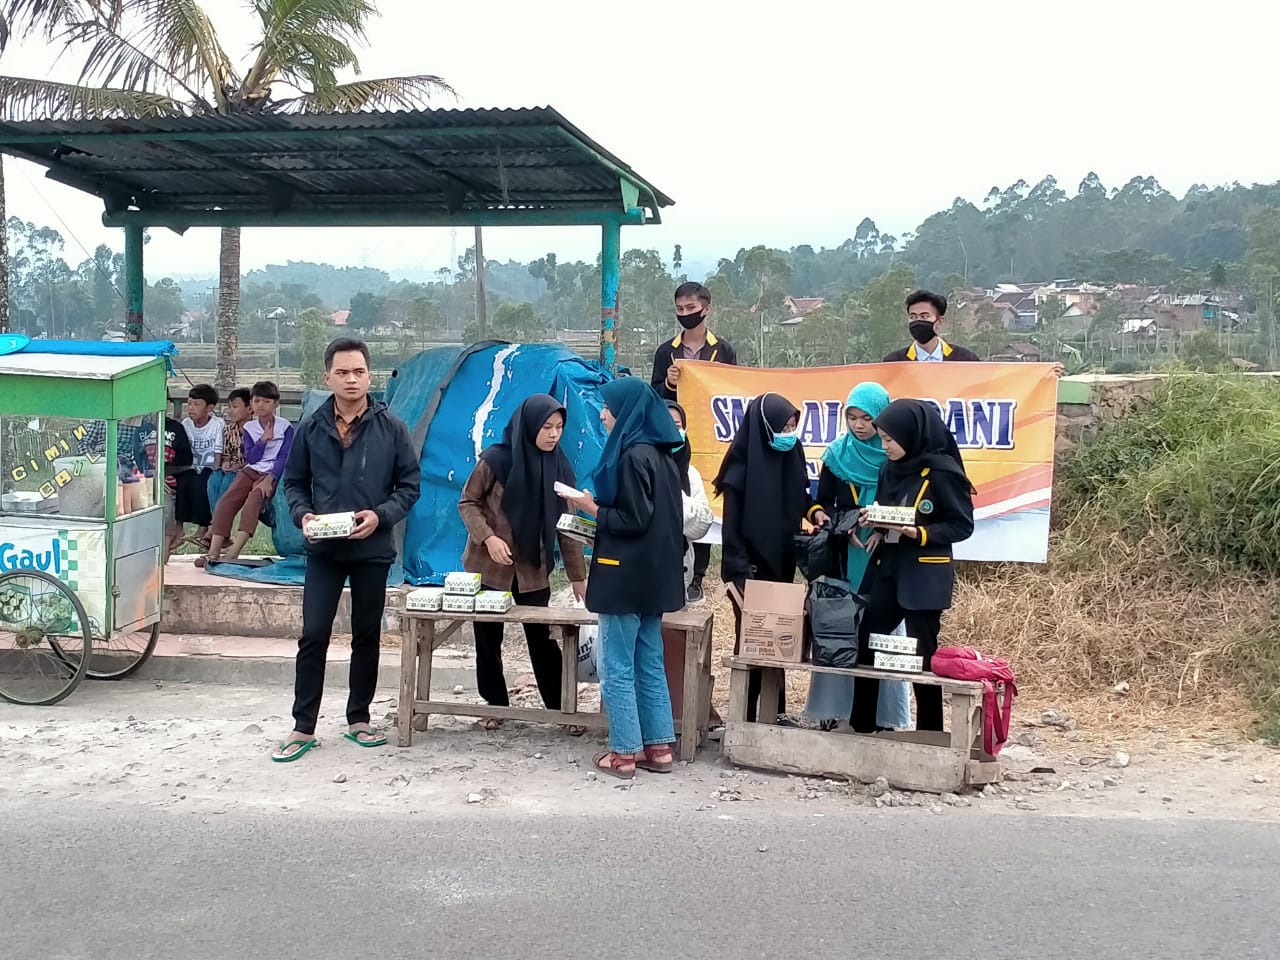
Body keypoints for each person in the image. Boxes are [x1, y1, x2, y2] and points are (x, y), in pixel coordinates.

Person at [274, 338, 422, 762]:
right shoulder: (311, 427)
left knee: (366, 635)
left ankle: (359, 718)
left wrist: (381, 515)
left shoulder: (391, 427)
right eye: (342, 372)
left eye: (358, 371)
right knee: (314, 634)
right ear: (328, 377)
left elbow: (409, 486)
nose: (351, 379)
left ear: (368, 375)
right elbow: (294, 483)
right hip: (323, 548)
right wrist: (303, 515)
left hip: (372, 548)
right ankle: (303, 726)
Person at [567, 377, 685, 780]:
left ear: (627, 413)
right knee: (649, 661)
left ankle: (623, 754)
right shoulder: (662, 455)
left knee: (616, 665)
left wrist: (590, 507)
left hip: (624, 577)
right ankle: (658, 748)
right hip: (654, 578)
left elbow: (632, 519)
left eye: (608, 408)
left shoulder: (633, 456)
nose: (602, 414)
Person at [458, 394, 589, 734]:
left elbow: (568, 526)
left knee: (542, 637)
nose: (553, 435)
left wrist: (578, 576)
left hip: (533, 567)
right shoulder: (495, 461)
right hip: (489, 565)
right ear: (529, 425)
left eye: (559, 427)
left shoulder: (559, 467)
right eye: (546, 427)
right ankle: (495, 704)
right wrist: (488, 537)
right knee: (487, 637)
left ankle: (561, 709)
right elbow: (468, 502)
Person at [849, 398, 976, 735]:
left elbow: (961, 526)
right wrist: (875, 522)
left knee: (923, 655)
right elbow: (889, 507)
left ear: (912, 435)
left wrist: (919, 532)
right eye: (883, 439)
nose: (885, 446)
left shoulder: (943, 473)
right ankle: (862, 726)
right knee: (868, 640)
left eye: (890, 440)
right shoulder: (888, 467)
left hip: (924, 575)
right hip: (888, 568)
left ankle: (930, 733)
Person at [800, 382, 912, 731]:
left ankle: (884, 715)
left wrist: (881, 528)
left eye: (867, 418)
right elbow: (826, 500)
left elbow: (902, 504)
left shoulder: (895, 456)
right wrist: (841, 526)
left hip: (886, 549)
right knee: (840, 628)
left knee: (882, 629)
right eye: (852, 417)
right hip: (846, 551)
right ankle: (833, 711)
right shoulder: (837, 454)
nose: (859, 425)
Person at [714, 392, 822, 723]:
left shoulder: (792, 452)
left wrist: (815, 512)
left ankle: (772, 716)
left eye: (793, 426)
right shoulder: (740, 468)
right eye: (783, 427)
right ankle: (742, 719)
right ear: (764, 427)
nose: (789, 433)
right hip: (750, 570)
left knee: (781, 642)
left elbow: (800, 495)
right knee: (751, 644)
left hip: (781, 564)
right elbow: (731, 530)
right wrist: (740, 575)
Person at [651, 281, 738, 602]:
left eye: (691, 308)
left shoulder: (723, 350)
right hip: (674, 440)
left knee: (703, 505)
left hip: (711, 440)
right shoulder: (666, 351)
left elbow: (733, 393)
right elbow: (655, 396)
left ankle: (697, 576)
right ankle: (672, 566)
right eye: (680, 310)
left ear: (706, 308)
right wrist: (669, 384)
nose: (685, 315)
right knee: (676, 501)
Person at [201, 381, 293, 566]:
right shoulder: (250, 428)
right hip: (252, 470)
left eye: (266, 401)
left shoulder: (285, 427)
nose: (261, 405)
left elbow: (285, 457)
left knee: (253, 501)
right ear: (251, 404)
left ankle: (234, 552)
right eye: (257, 401)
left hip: (272, 472)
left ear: (276, 404)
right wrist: (263, 440)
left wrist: (270, 479)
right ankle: (213, 551)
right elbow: (251, 457)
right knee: (227, 500)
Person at [886, 288, 1066, 376]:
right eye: (913, 317)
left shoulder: (965, 359)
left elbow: (995, 383)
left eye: (925, 316)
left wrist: (1044, 374)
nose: (918, 322)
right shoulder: (893, 363)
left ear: (939, 322)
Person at [664, 401, 715, 594]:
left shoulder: (690, 473)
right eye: (665, 423)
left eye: (677, 426)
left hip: (680, 566)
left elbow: (702, 523)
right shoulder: (639, 465)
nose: (672, 430)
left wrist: (671, 497)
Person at [179, 383, 223, 551]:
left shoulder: (217, 424)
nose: (191, 408)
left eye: (197, 404)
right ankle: (178, 529)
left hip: (210, 466)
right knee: (182, 483)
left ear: (209, 407)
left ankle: (203, 528)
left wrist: (216, 470)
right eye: (189, 403)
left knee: (204, 483)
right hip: (191, 466)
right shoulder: (186, 424)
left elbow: (218, 449)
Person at [208, 387, 251, 512]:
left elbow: (257, 459)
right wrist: (226, 463)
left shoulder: (256, 430)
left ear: (249, 409)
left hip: (247, 469)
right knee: (214, 479)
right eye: (229, 407)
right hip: (232, 468)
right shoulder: (228, 430)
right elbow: (226, 455)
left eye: (235, 407)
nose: (231, 411)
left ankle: (219, 522)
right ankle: (216, 520)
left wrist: (238, 466)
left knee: (228, 481)